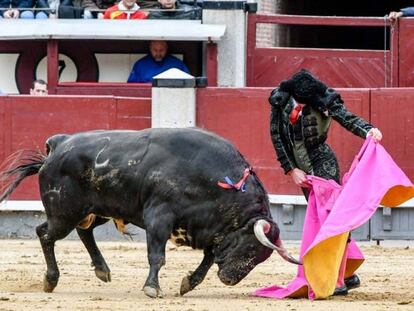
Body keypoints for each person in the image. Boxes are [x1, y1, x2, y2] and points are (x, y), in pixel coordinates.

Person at [268, 69, 382, 296]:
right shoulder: (280, 99)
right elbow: (276, 136)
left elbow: (347, 119)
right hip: (301, 168)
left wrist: (369, 130)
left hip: (323, 163)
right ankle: (347, 273)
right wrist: (291, 169)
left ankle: (337, 279)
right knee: (319, 220)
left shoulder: (324, 100)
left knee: (330, 220)